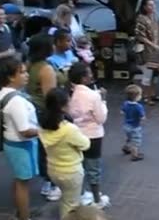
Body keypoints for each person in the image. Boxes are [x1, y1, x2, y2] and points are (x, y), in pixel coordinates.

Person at [0, 59, 39, 220]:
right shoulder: (16, 101)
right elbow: (25, 130)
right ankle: (24, 216)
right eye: (22, 72)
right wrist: (43, 131)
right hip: (21, 145)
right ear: (11, 77)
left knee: (20, 179)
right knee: (23, 183)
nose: (26, 75)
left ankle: (22, 211)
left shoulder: (1, 94)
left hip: (12, 143)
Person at [39, 88, 91, 219]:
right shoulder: (69, 129)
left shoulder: (42, 125)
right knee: (71, 205)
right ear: (62, 107)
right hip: (71, 172)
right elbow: (86, 144)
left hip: (53, 169)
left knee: (66, 199)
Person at [26, 33, 63, 201]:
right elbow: (51, 96)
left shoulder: (30, 65)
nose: (54, 45)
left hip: (34, 110)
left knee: (42, 149)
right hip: (45, 112)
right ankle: (52, 184)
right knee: (51, 149)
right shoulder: (46, 69)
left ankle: (48, 182)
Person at [68, 62, 110, 209]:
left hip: (76, 134)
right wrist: (103, 100)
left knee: (80, 165)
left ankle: (81, 194)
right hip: (93, 135)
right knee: (94, 168)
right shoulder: (93, 96)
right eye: (89, 73)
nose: (92, 75)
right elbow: (101, 118)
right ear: (83, 78)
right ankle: (97, 199)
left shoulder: (71, 93)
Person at [134, 0, 159, 106]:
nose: (153, 7)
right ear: (145, 7)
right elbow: (140, 37)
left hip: (156, 51)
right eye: (150, 5)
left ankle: (153, 94)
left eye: (154, 5)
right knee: (148, 74)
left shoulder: (155, 17)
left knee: (155, 74)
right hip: (146, 51)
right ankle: (146, 97)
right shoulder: (141, 19)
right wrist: (154, 45)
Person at [121, 84, 146, 161]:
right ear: (137, 96)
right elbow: (142, 117)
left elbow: (122, 112)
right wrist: (143, 120)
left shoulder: (125, 103)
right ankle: (134, 155)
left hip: (126, 125)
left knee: (128, 138)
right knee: (136, 141)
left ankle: (126, 147)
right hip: (135, 126)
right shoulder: (139, 107)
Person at [0, 6, 16, 80]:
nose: (4, 16)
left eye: (4, 14)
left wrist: (13, 50)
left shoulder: (6, 27)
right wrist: (5, 54)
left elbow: (10, 44)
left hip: (8, 68)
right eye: (1, 15)